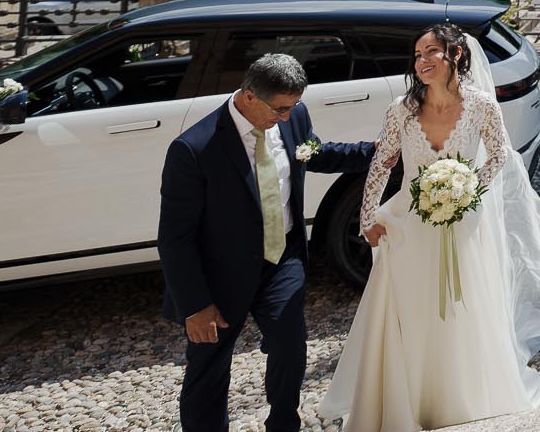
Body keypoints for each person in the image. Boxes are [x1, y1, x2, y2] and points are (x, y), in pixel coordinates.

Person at [318, 24, 540, 430]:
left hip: (465, 223)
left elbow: (498, 157)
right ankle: (410, 401)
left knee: (465, 306)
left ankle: (460, 397)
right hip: (409, 225)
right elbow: (382, 163)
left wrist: (468, 188)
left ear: (455, 56)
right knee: (410, 307)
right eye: (417, 55)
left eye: (430, 53)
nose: (421, 62)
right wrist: (368, 216)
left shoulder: (481, 107)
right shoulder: (401, 110)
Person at [157, 54, 376, 432]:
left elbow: (314, 153)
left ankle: (283, 424)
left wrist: (378, 152)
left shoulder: (293, 116)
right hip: (219, 275)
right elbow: (175, 238)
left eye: (293, 107)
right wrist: (195, 305)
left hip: (283, 258)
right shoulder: (192, 149)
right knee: (208, 368)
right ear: (247, 97)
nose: (289, 117)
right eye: (281, 109)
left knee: (291, 347)